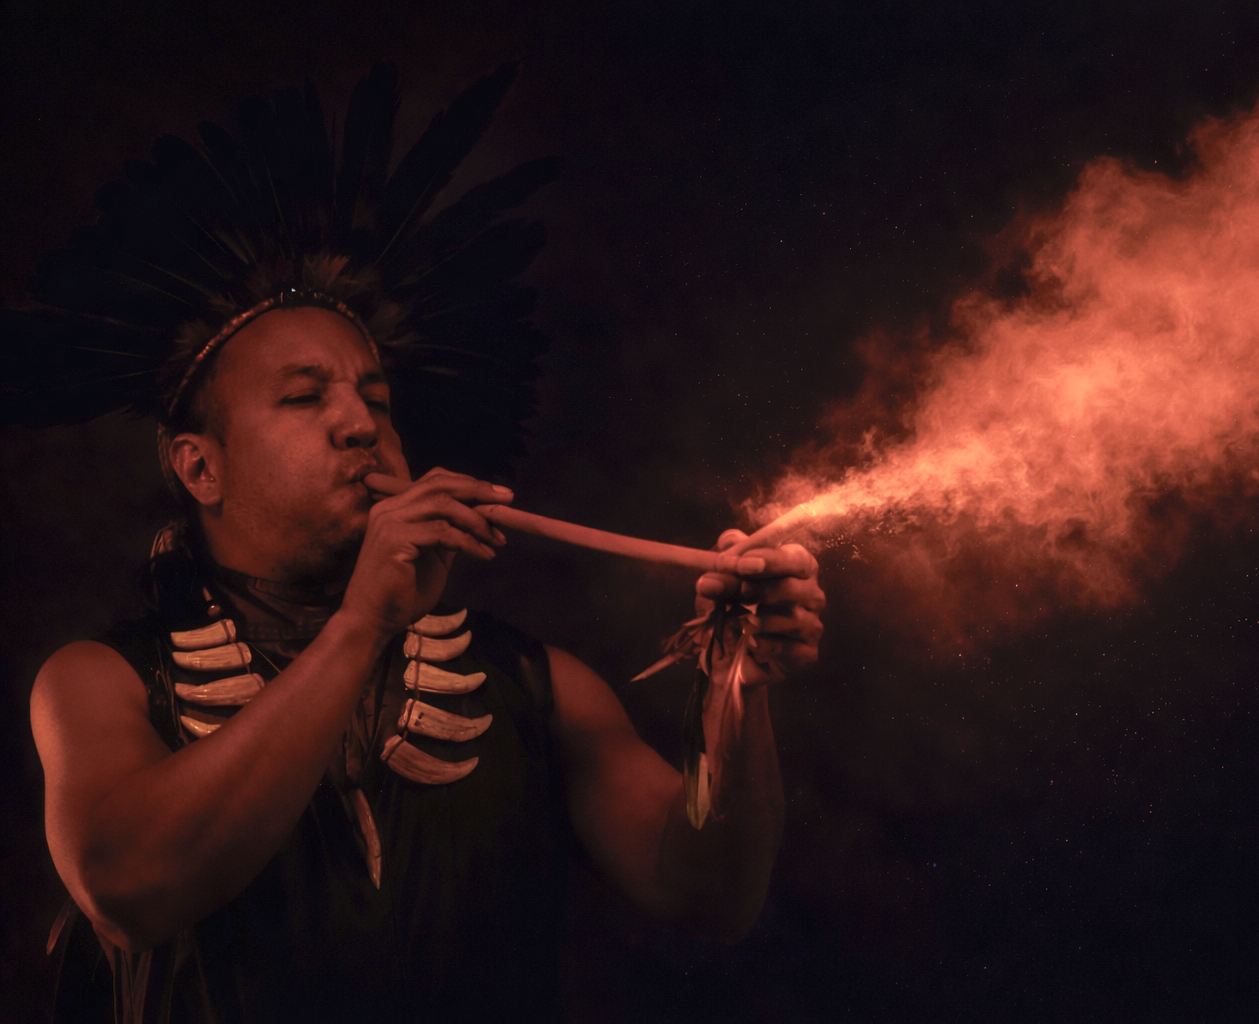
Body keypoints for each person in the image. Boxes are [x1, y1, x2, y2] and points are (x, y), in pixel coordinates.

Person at [10, 64, 824, 1023]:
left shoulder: (537, 686)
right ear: (199, 468)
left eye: (377, 399)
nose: (360, 423)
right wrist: (361, 623)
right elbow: (130, 890)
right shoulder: (97, 681)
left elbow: (710, 896)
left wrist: (734, 687)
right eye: (304, 397)